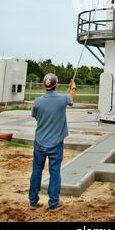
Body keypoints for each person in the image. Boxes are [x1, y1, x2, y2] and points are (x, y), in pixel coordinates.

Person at [29, 73, 77, 211]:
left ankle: (33, 202)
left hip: (39, 142)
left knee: (36, 171)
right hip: (56, 144)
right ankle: (53, 203)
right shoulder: (62, 99)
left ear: (45, 85)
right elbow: (71, 98)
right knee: (54, 172)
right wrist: (73, 87)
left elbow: (35, 116)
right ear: (56, 85)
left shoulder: (37, 101)